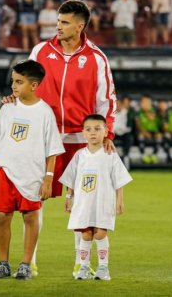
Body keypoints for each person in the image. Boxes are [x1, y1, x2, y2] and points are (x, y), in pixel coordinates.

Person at [27, 0, 117, 277]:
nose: (58, 26)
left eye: (65, 22)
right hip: (44, 139)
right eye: (58, 20)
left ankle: (82, 262)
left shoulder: (96, 58)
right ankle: (28, 261)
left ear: (80, 26)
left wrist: (107, 134)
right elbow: (24, 87)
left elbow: (107, 101)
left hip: (82, 141)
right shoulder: (41, 51)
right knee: (33, 201)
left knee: (82, 204)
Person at [0, 60, 65, 280]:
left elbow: (52, 150)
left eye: (19, 82)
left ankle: (25, 264)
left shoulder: (45, 112)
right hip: (5, 172)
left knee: (30, 217)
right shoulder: (7, 108)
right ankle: (3, 264)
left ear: (34, 85)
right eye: (13, 81)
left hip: (32, 174)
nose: (13, 86)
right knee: (2, 216)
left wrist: (48, 179)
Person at [59, 114, 132, 281]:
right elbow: (71, 178)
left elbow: (119, 179)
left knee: (100, 233)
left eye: (97, 129)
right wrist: (68, 196)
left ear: (106, 132)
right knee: (85, 234)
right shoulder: (79, 155)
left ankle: (103, 267)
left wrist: (120, 200)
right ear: (83, 133)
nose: (93, 133)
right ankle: (84, 267)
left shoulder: (110, 154)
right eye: (89, 129)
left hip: (103, 202)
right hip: (83, 202)